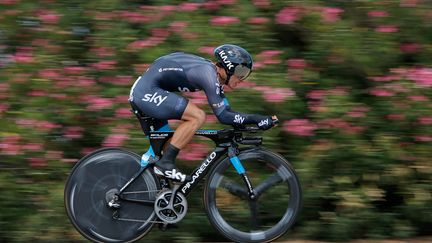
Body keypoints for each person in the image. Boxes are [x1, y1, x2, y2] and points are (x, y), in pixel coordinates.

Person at [129, 44, 277, 182]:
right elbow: (223, 116)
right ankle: (166, 164)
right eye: (241, 72)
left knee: (162, 153)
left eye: (245, 74)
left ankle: (152, 190)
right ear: (228, 68)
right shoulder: (208, 74)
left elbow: (227, 112)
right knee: (197, 116)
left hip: (147, 91)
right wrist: (258, 119)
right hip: (146, 92)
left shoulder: (212, 75)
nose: (242, 78)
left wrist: (254, 122)